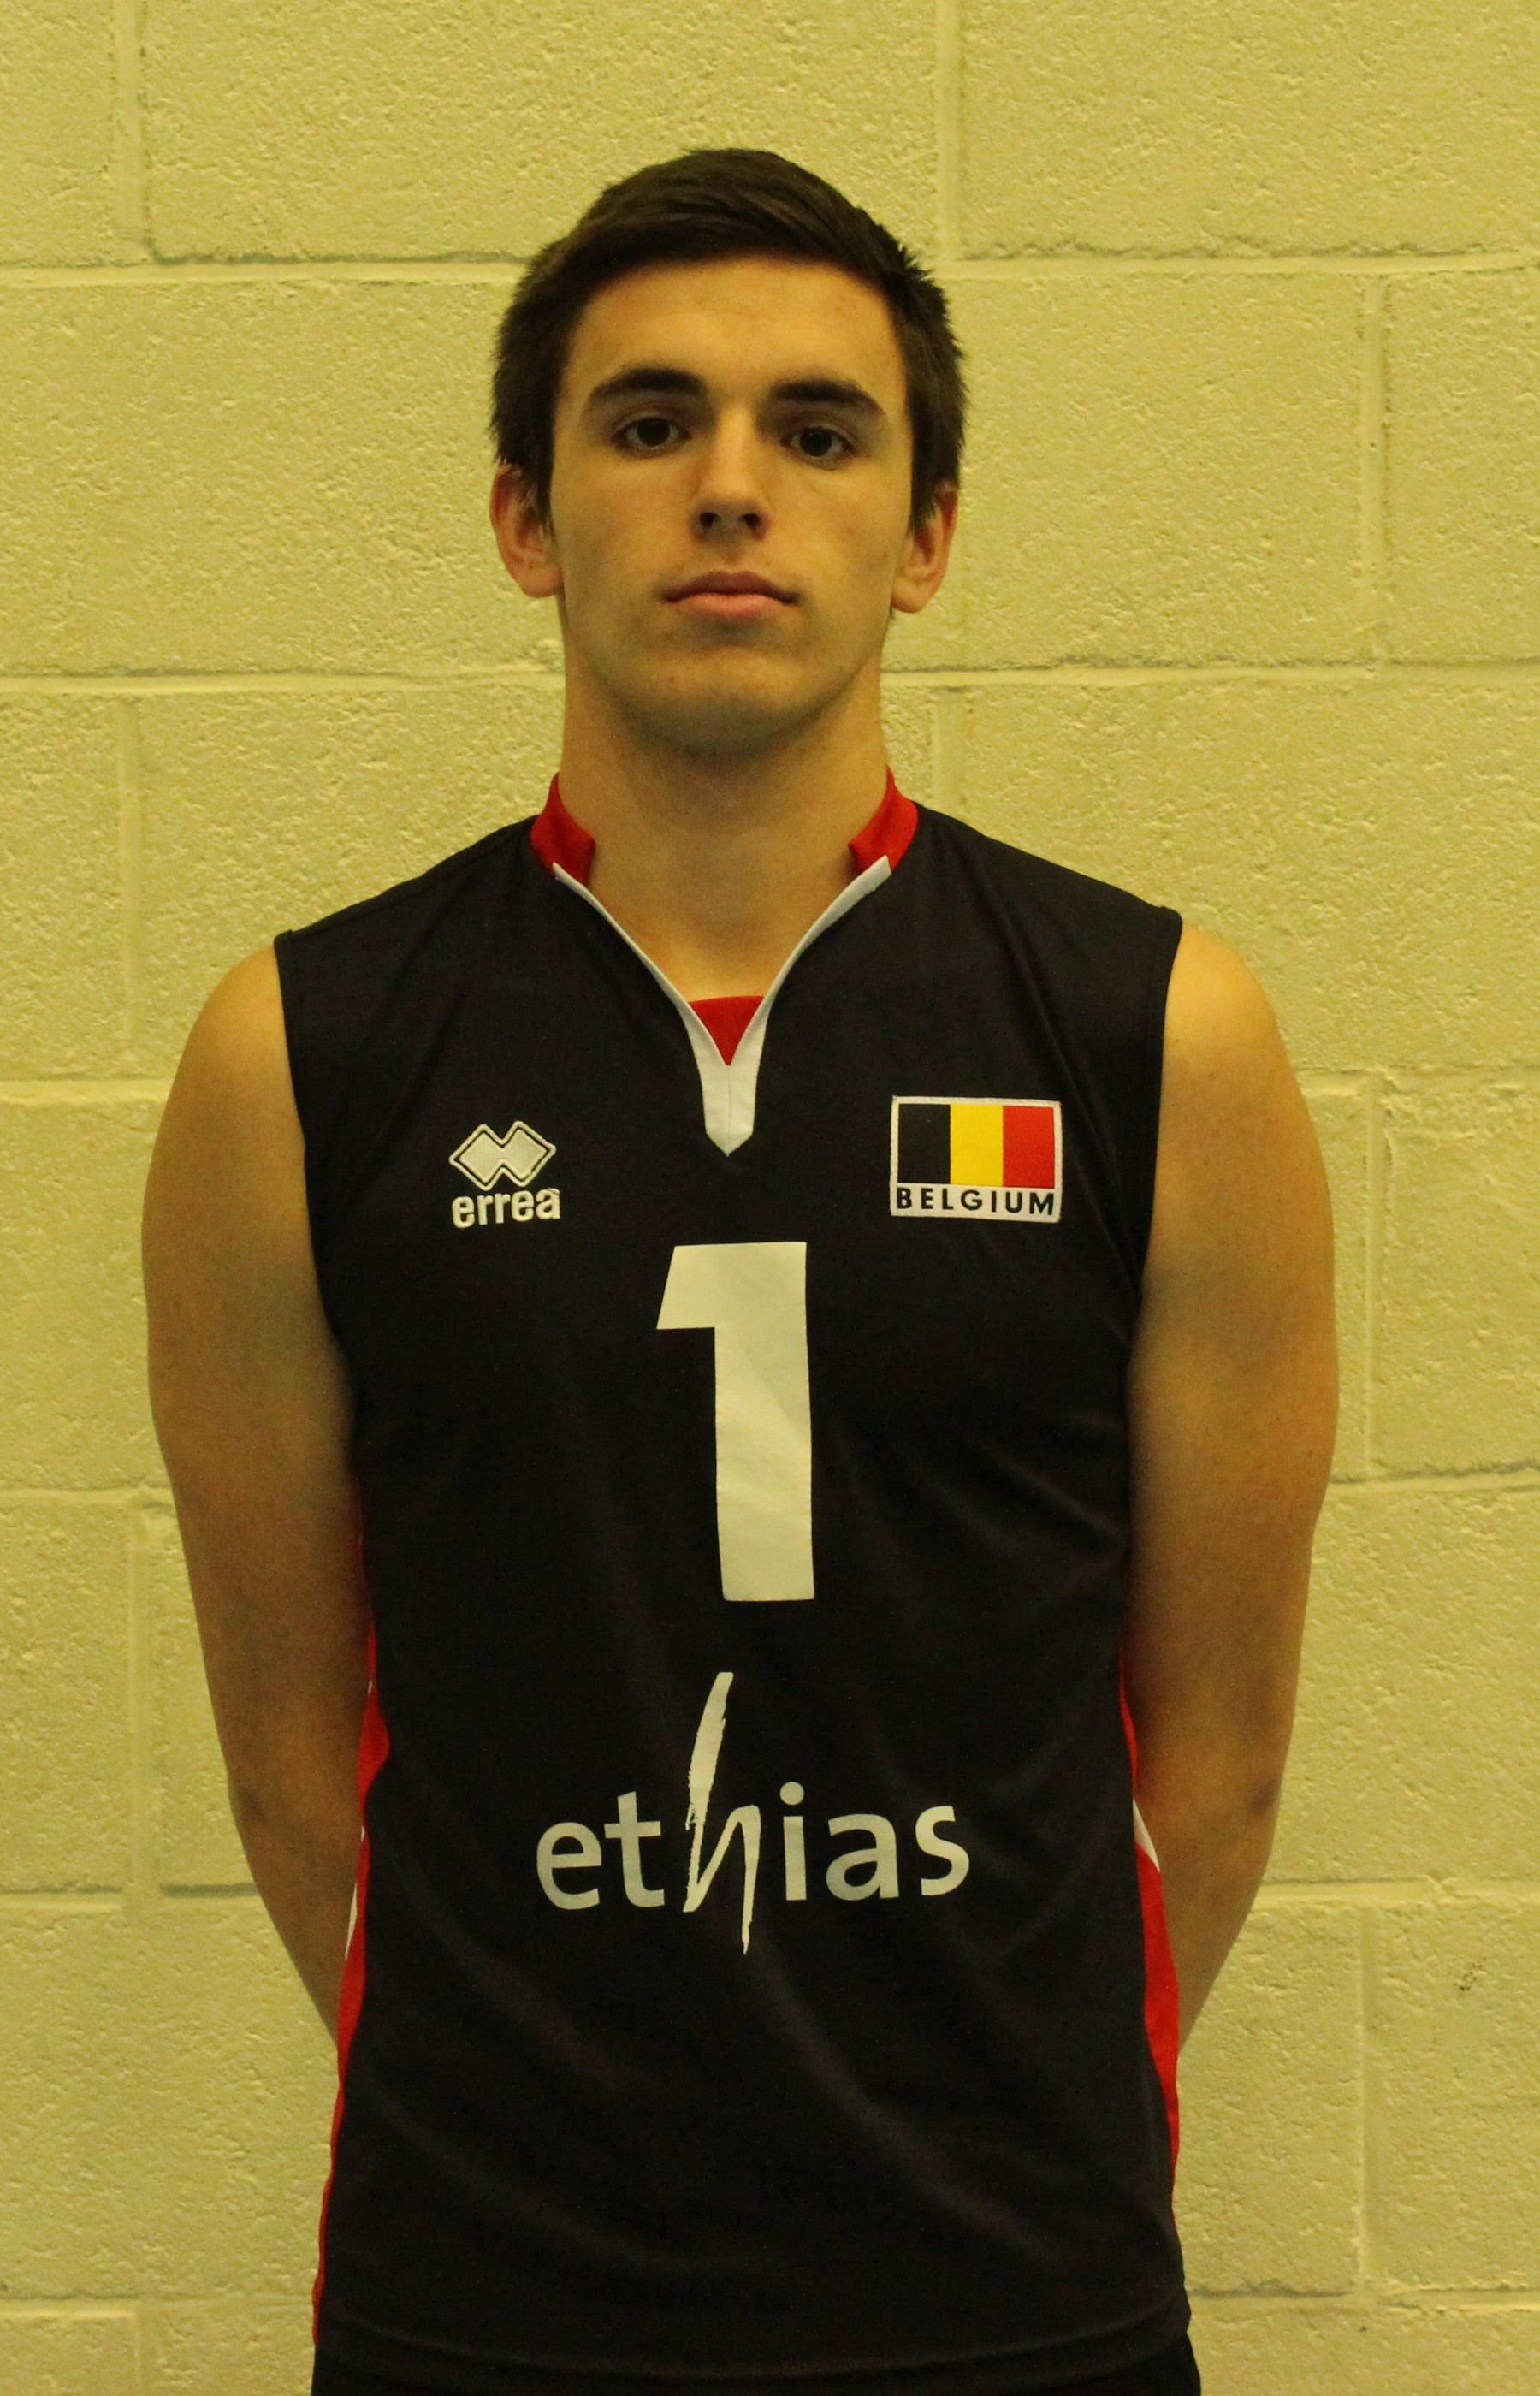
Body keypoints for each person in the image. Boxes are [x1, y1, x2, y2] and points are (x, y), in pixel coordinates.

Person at [141, 149, 1336, 2396]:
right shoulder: (298, 1058)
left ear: (927, 532)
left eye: (818, 430)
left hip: (1014, 2297)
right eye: (649, 420)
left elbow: (1223, 1764)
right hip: (487, 2297)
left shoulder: (1157, 1036)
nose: (729, 485)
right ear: (527, 519)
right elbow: (299, 1784)